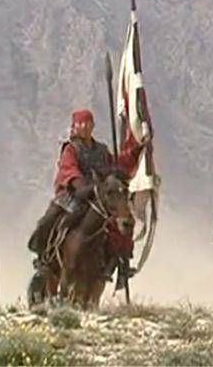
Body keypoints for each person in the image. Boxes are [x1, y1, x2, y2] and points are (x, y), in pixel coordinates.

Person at [28, 109, 141, 268]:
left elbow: (116, 164)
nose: (85, 126)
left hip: (100, 195)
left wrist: (135, 152)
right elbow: (69, 169)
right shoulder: (71, 149)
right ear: (74, 127)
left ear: (93, 125)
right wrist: (82, 185)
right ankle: (44, 259)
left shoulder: (101, 150)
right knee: (49, 220)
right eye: (81, 123)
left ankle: (120, 262)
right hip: (73, 195)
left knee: (122, 219)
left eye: (88, 123)